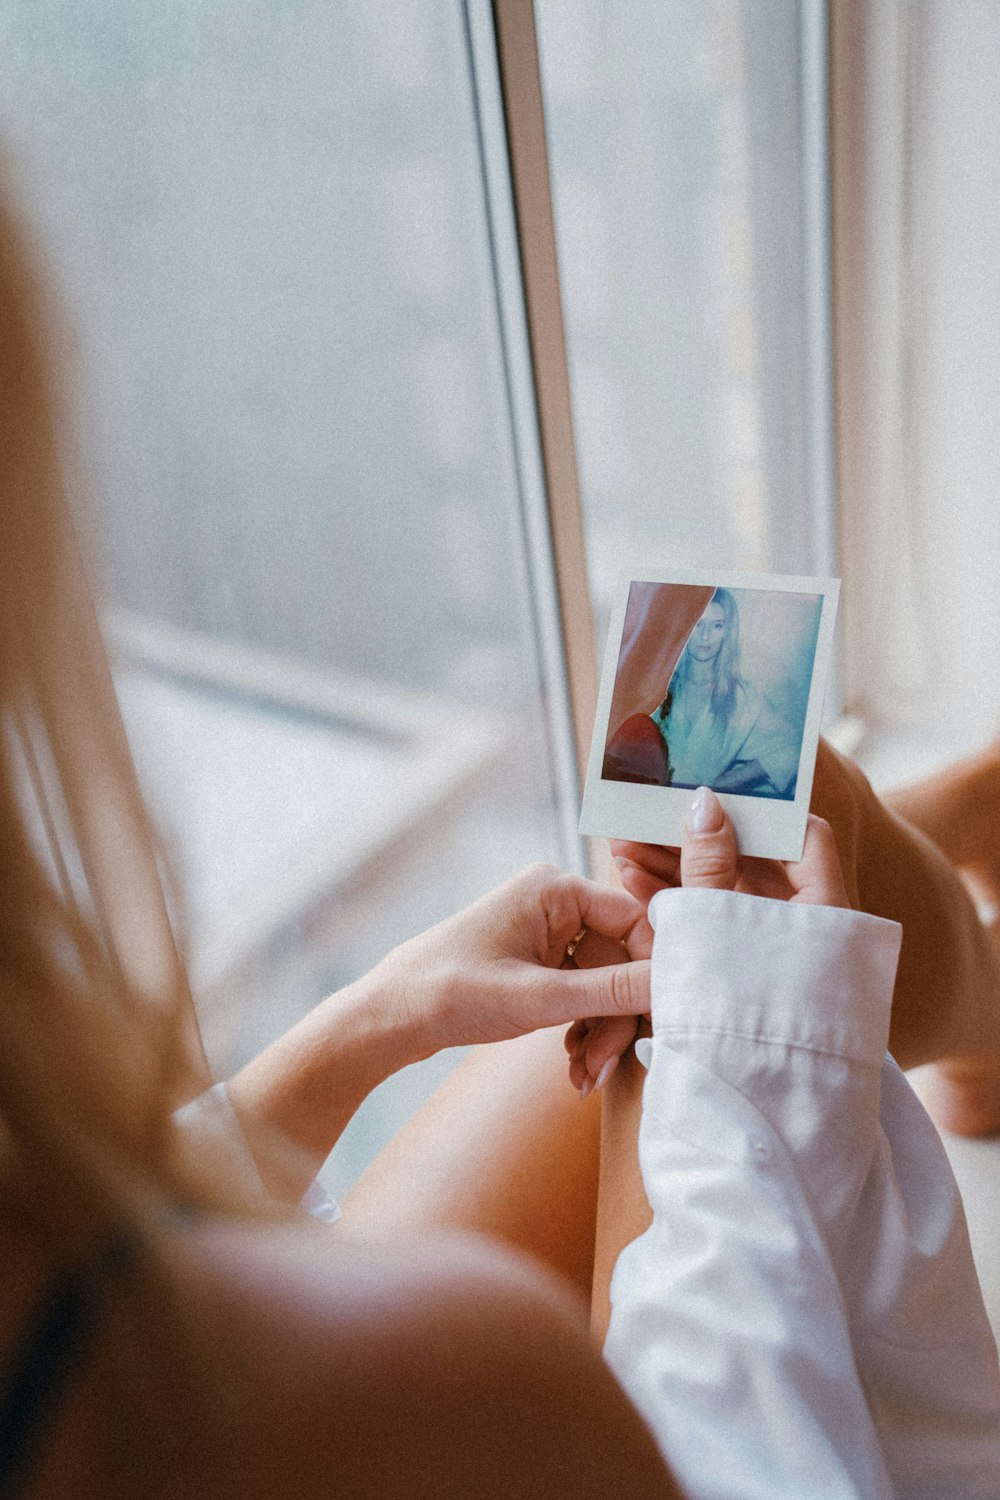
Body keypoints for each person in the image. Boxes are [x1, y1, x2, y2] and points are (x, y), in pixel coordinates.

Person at [2, 157, 998, 1497]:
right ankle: (974, 961)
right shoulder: (453, 1388)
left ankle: (950, 843)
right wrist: (736, 1080)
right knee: (722, 907)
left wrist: (356, 1032)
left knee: (725, 867)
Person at [650, 588, 798, 798]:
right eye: (697, 624)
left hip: (704, 811)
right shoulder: (656, 689)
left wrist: (728, 782)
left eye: (717, 625)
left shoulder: (743, 698)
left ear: (727, 632)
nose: (705, 636)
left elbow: (790, 750)